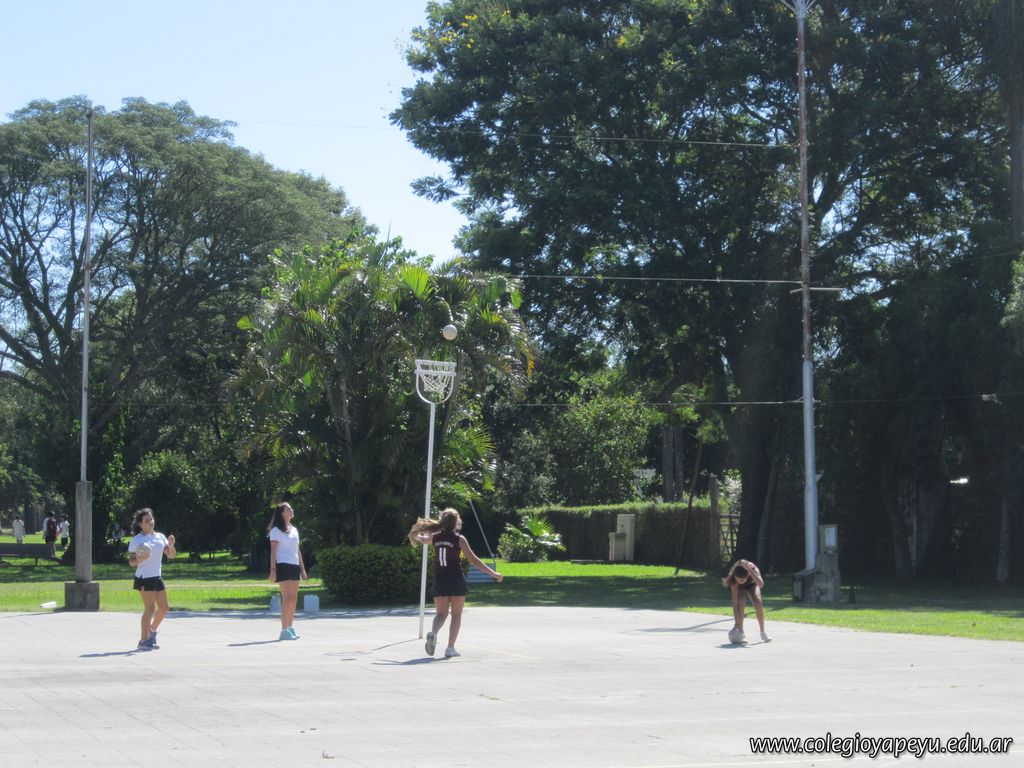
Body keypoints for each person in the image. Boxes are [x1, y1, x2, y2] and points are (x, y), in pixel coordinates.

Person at [408, 508, 503, 658]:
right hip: (456, 579)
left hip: (440, 579)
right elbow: (474, 560)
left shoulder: (435, 537)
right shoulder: (459, 539)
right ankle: (450, 648)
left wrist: (415, 534)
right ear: (456, 522)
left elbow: (424, 539)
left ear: (442, 521)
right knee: (456, 615)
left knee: (441, 614)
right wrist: (493, 573)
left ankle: (433, 633)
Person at [127, 508, 176, 650]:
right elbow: (131, 562)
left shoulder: (160, 537)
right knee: (150, 608)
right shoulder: (137, 540)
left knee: (164, 608)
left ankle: (152, 630)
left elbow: (171, 555)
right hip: (144, 577)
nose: (150, 522)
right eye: (146, 520)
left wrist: (171, 546)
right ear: (140, 524)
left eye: (151, 519)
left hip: (156, 576)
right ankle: (143, 641)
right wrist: (139, 559)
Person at [267, 502, 307, 640]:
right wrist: (273, 570)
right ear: (282, 513)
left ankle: (290, 627)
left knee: (294, 597)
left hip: (294, 565)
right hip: (283, 565)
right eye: (289, 509)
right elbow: (273, 551)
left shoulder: (294, 529)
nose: (292, 510)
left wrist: (302, 569)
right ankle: (284, 630)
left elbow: (297, 550)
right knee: (287, 597)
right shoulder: (275, 531)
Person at [722, 559, 771, 643]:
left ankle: (763, 632)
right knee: (741, 600)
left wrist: (749, 570)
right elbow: (735, 603)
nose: (740, 581)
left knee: (757, 601)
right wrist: (736, 623)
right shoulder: (734, 580)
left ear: (747, 575)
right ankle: (741, 632)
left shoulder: (754, 570)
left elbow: (761, 585)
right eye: (738, 579)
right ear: (735, 576)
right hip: (738, 587)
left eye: (742, 580)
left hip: (751, 583)